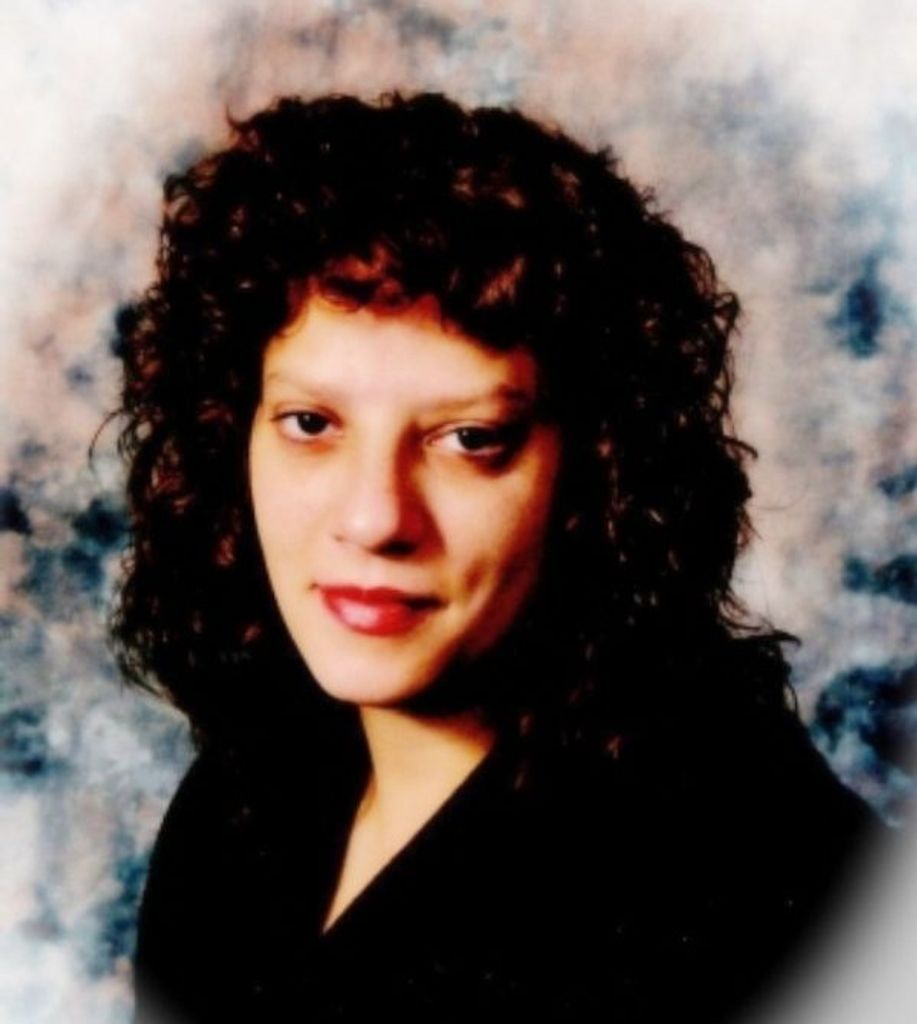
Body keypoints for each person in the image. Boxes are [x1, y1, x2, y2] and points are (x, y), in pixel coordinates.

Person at [110, 91, 874, 1023]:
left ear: (597, 474)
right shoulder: (238, 804)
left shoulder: (773, 899)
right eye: (310, 424)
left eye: (469, 439)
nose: (374, 518)